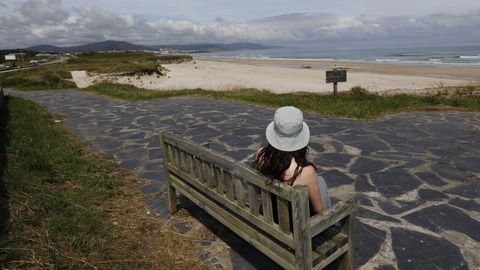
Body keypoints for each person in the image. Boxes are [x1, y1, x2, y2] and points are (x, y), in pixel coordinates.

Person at [253, 106, 331, 214]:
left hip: (270, 216)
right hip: (294, 226)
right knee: (320, 182)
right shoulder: (305, 171)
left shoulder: (261, 154)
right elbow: (319, 210)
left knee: (319, 180)